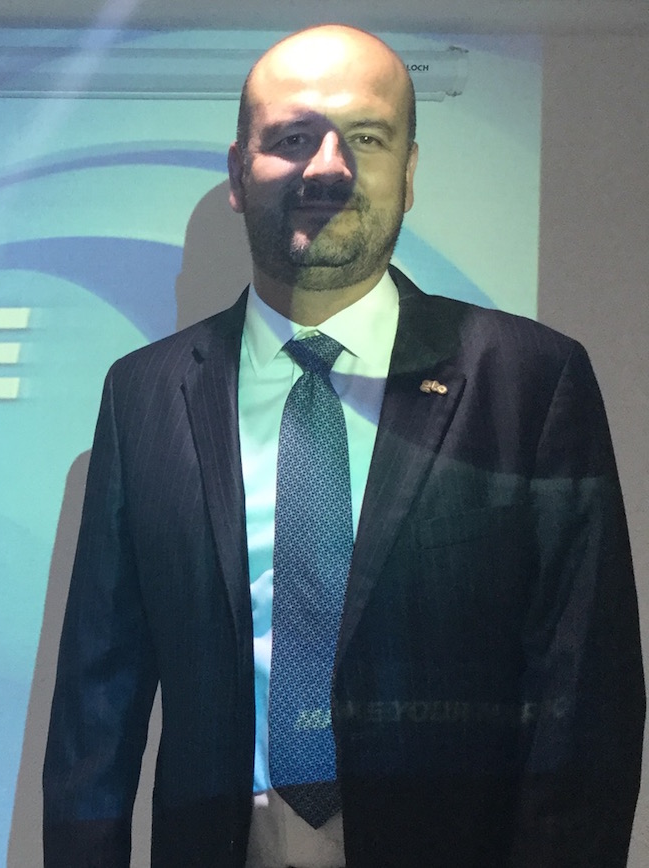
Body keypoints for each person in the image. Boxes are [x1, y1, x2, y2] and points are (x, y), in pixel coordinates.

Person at [43, 24, 644, 868]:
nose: (328, 167)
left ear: (409, 172)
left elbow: (584, 697)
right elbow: (94, 708)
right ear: (238, 174)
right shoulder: (143, 394)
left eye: (365, 137)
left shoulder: (530, 379)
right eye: (292, 138)